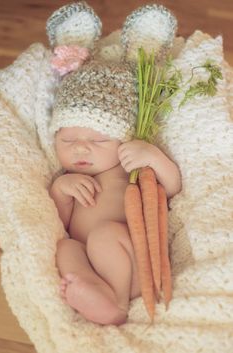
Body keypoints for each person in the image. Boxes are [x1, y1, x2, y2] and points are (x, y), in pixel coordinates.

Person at [49, 59, 182, 326]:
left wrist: (153, 157)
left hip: (132, 263)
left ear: (123, 140)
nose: (81, 149)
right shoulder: (68, 179)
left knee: (104, 235)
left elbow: (172, 188)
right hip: (90, 260)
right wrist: (60, 191)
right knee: (65, 247)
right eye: (68, 141)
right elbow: (59, 224)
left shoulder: (128, 167)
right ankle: (90, 287)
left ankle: (117, 304)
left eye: (98, 140)